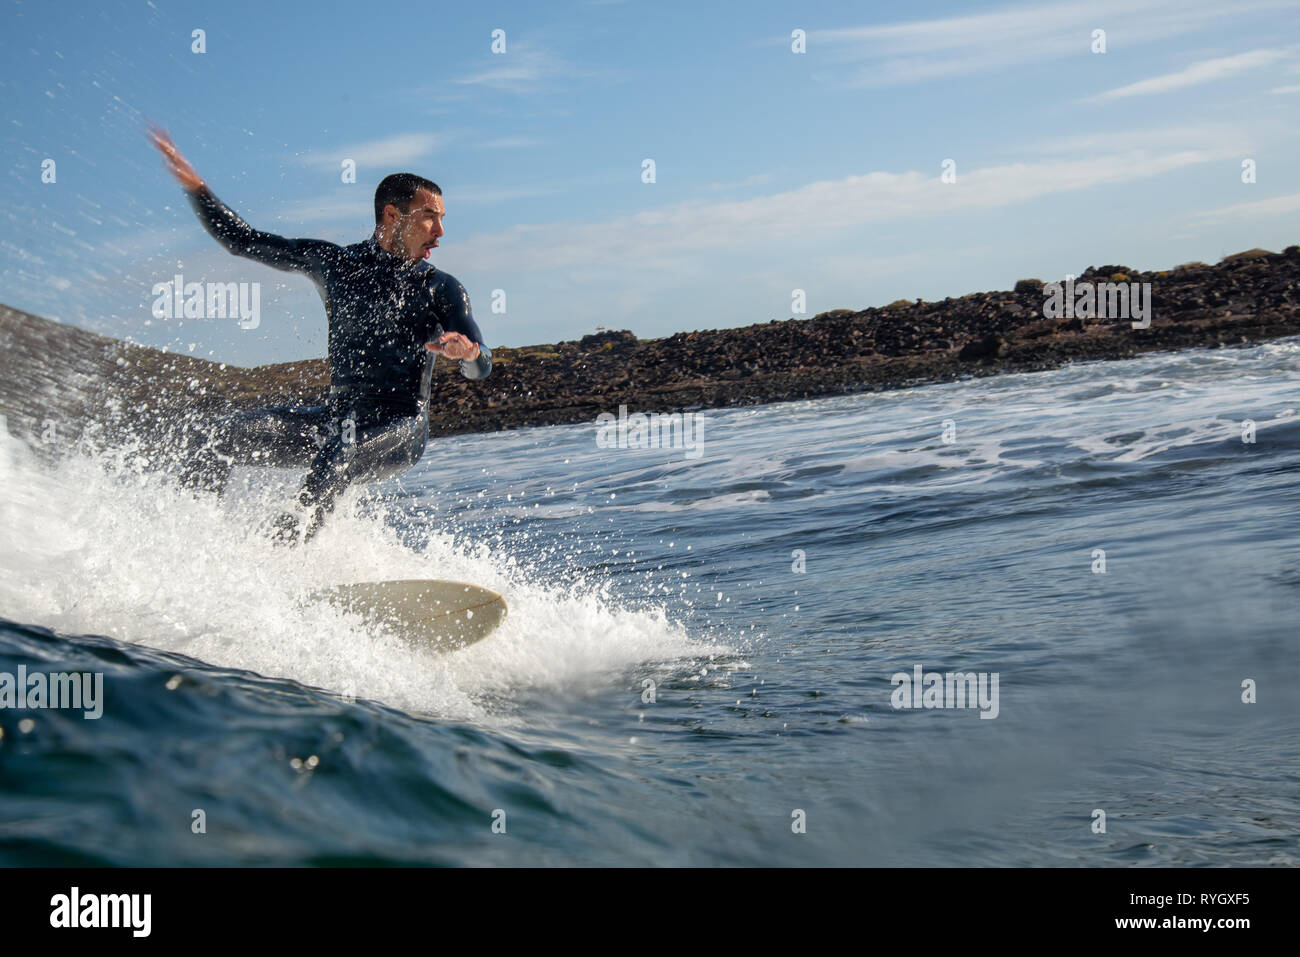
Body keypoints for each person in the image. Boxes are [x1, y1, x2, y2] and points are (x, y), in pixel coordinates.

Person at [148, 126, 491, 545]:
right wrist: (197, 188)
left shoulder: (443, 288)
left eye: (441, 219)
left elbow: (482, 366)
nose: (440, 232)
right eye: (429, 217)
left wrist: (469, 353)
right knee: (216, 437)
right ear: (391, 215)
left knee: (338, 453)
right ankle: (192, 545)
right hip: (339, 418)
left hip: (401, 424)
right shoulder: (335, 264)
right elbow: (242, 241)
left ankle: (285, 557)